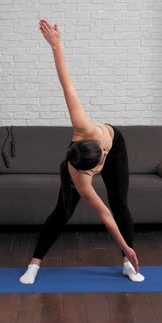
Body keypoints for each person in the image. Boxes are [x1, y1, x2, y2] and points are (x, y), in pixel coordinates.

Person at [19, 19, 144, 284]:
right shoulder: (78, 175)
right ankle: (34, 264)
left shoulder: (84, 126)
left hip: (117, 142)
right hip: (80, 161)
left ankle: (126, 265)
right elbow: (103, 215)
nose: (100, 169)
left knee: (120, 201)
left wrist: (56, 46)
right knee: (63, 211)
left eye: (100, 164)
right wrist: (125, 243)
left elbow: (68, 86)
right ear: (87, 170)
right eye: (96, 170)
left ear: (99, 149)